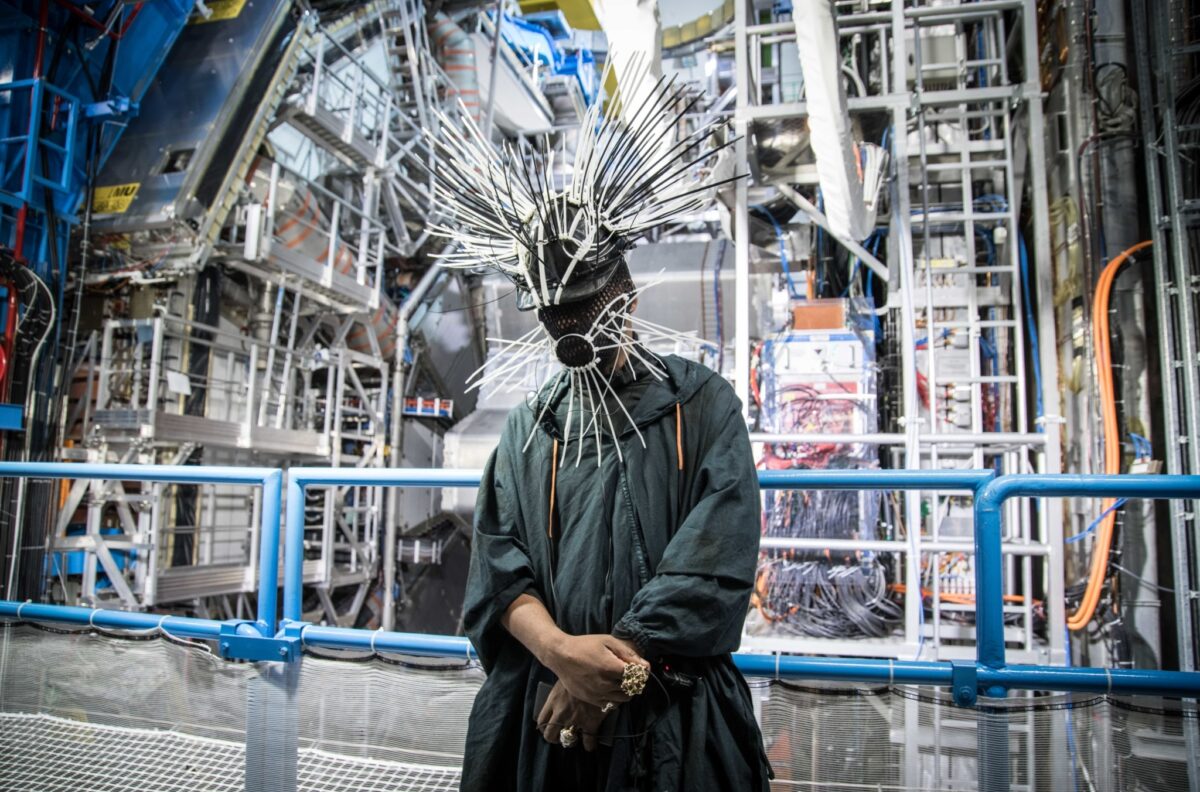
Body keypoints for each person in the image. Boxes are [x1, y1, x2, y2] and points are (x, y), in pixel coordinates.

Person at [427, 63, 770, 791]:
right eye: (558, 320)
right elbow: (499, 568)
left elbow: (716, 560)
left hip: (674, 722)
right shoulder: (530, 430)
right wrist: (559, 654)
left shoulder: (701, 406)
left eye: (590, 310)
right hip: (543, 721)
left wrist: (613, 672)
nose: (575, 335)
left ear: (628, 291)